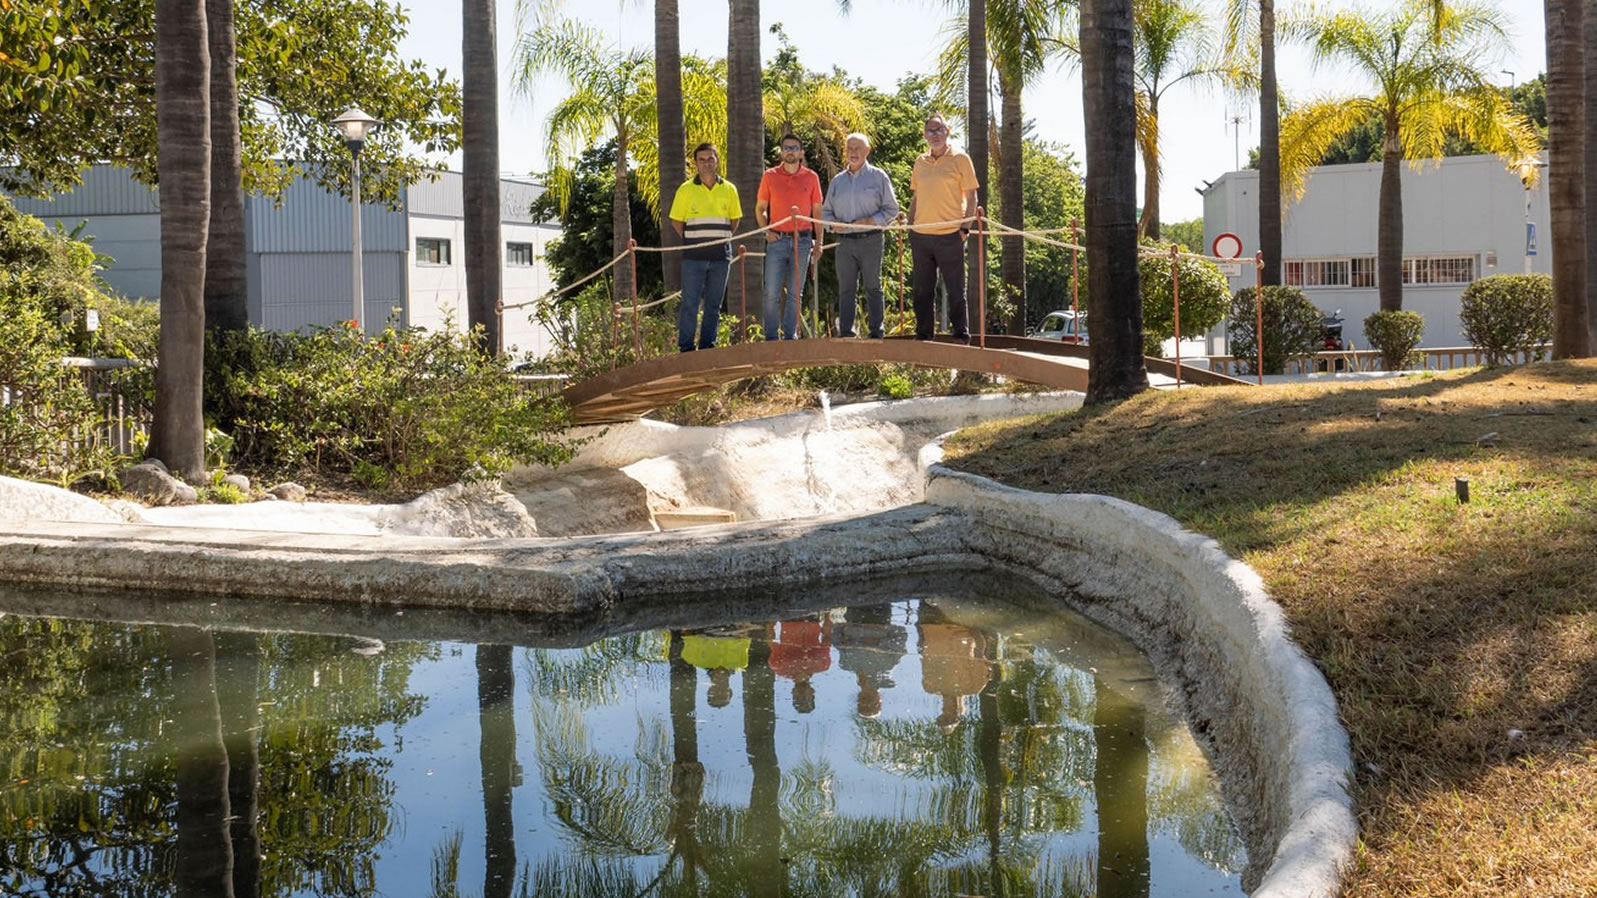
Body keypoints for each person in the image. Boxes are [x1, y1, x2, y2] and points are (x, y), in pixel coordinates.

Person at [907, 114, 979, 343]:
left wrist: (965, 228)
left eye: (939, 130)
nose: (935, 135)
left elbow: (972, 196)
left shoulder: (961, 158)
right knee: (922, 290)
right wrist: (910, 226)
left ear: (947, 131)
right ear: (924, 135)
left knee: (956, 289)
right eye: (930, 131)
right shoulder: (920, 162)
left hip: (950, 234)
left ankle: (960, 335)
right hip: (921, 235)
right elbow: (916, 196)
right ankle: (924, 335)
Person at [822, 132, 901, 339]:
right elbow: (826, 212)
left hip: (871, 239)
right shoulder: (837, 182)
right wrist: (832, 225)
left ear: (867, 151)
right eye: (849, 148)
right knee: (846, 289)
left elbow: (892, 210)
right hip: (844, 243)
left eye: (858, 148)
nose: (853, 152)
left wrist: (871, 221)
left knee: (873, 286)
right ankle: (846, 333)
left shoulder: (879, 177)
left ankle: (877, 332)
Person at [669, 143, 741, 352]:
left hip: (721, 257)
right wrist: (694, 239)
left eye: (710, 159)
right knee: (690, 304)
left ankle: (708, 347)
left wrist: (719, 238)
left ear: (717, 160)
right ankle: (686, 348)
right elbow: (676, 221)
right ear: (696, 163)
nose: (707, 163)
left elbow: (734, 221)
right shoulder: (685, 189)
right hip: (693, 257)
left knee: (714, 306)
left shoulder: (729, 189)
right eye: (702, 160)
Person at [755, 133, 824, 341]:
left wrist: (819, 242)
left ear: (801, 152)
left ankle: (790, 336)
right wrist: (766, 231)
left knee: (796, 293)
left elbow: (818, 212)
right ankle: (770, 337)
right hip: (777, 241)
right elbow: (760, 208)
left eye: (794, 148)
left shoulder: (811, 177)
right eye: (786, 147)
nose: (790, 151)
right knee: (771, 293)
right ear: (781, 152)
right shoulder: (770, 176)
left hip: (802, 240)